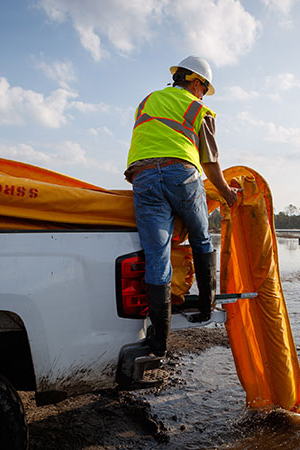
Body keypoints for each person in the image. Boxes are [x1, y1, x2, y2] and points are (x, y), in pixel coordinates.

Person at [124, 56, 240, 357]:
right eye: (204, 88)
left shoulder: (147, 100)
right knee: (201, 237)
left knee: (156, 254)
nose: (203, 94)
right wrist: (227, 193)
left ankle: (159, 341)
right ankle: (205, 306)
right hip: (181, 174)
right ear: (196, 83)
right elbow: (210, 162)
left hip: (144, 176)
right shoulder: (199, 109)